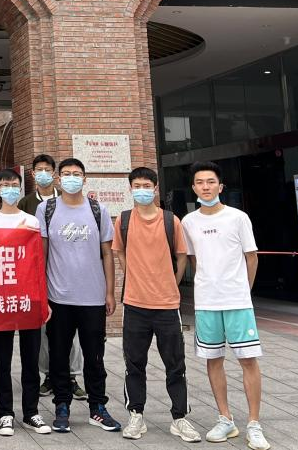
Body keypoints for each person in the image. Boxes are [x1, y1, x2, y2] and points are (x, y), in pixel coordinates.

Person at [181, 162, 269, 450]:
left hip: (237, 301)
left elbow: (251, 257)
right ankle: (225, 418)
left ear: (220, 186)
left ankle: (254, 424)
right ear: (193, 188)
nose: (205, 186)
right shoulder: (188, 222)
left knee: (248, 360)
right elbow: (194, 260)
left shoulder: (238, 218)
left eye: (210, 181)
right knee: (213, 359)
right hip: (207, 302)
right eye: (199, 182)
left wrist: (244, 291)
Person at [112, 167, 200, 443]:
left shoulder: (171, 220)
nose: (142, 190)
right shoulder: (124, 220)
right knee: (134, 364)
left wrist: (171, 283)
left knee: (175, 364)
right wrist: (133, 278)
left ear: (155, 188)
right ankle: (136, 415)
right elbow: (119, 252)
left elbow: (182, 256)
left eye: (146, 185)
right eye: (137, 186)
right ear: (130, 189)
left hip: (167, 305)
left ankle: (180, 418)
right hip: (134, 304)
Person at [37, 157, 121, 434]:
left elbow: (107, 253)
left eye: (76, 173)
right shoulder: (46, 209)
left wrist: (109, 292)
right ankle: (62, 406)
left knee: (95, 357)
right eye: (66, 173)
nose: (71, 178)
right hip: (58, 297)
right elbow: (42, 253)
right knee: (59, 356)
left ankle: (97, 407)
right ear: (59, 178)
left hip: (92, 297)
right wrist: (41, 293)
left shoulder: (98, 209)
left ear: (84, 179)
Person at [0, 169, 48, 436]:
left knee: (31, 357)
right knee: (3, 358)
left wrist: (44, 299)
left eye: (14, 185)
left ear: (20, 189)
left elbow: (38, 261)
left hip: (28, 296)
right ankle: (5, 413)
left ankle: (31, 412)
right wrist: (14, 236)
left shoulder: (32, 220)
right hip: (1, 297)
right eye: (5, 185)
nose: (10, 189)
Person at [21, 154, 86, 401]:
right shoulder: (27, 203)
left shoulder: (69, 199)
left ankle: (72, 376)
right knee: (46, 331)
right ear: (32, 174)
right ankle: (48, 376)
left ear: (54, 174)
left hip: (71, 277)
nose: (43, 174)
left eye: (47, 170)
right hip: (42, 275)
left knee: (73, 333)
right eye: (39, 170)